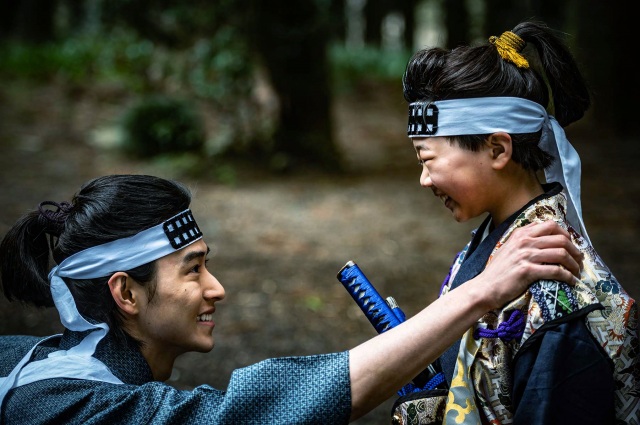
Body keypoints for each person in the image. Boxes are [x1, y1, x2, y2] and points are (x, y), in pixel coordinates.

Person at [0, 174, 583, 424]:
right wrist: (481, 293)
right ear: (125, 293)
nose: (217, 289)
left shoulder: (44, 366)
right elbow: (248, 415)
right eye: (194, 270)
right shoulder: (62, 409)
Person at [398, 19, 639, 425]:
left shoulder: (553, 288)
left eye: (428, 160)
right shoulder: (501, 235)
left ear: (496, 148)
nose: (424, 180)